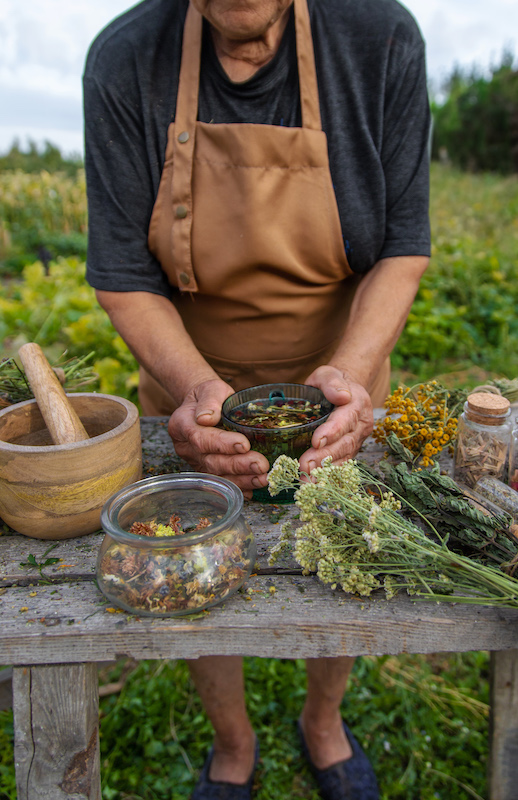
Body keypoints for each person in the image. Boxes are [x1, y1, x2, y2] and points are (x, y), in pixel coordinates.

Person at [83, 0, 431, 797]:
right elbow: (125, 280)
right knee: (202, 557)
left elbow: (403, 246)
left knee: (346, 549)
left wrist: (348, 372)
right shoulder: (125, 58)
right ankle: (233, 744)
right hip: (195, 382)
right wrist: (199, 389)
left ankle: (323, 721)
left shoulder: (378, 37)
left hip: (341, 372)